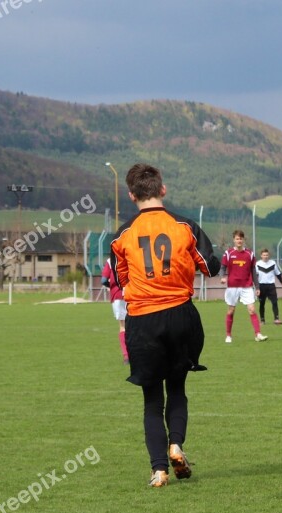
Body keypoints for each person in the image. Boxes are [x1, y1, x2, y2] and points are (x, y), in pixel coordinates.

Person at [110, 163, 220, 488]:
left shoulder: (121, 235)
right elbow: (210, 267)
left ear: (131, 195)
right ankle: (176, 445)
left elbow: (121, 280)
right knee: (177, 388)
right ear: (163, 189)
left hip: (143, 318)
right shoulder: (184, 226)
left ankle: (159, 470)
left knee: (151, 400)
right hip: (180, 314)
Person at [220, 230, 268, 343]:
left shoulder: (249, 254)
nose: (239, 241)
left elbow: (253, 270)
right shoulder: (228, 253)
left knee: (252, 310)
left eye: (241, 238)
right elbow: (222, 267)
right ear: (234, 240)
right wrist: (222, 277)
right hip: (232, 286)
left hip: (247, 286)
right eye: (237, 239)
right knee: (231, 311)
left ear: (243, 240)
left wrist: (257, 287)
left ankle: (258, 334)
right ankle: (228, 335)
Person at [101, 258, 129, 364]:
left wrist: (112, 286)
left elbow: (103, 280)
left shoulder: (110, 260)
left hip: (117, 295)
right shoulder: (131, 255)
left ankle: (126, 356)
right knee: (134, 325)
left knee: (122, 326)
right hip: (132, 294)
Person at [255, 248, 282, 325]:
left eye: (267, 255)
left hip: (271, 286)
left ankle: (276, 319)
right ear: (261, 256)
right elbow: (255, 276)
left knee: (274, 302)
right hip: (262, 286)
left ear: (269, 255)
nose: (265, 256)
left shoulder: (273, 263)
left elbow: (277, 273)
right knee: (262, 303)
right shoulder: (258, 264)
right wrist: (256, 287)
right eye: (264, 255)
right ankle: (262, 320)